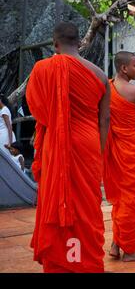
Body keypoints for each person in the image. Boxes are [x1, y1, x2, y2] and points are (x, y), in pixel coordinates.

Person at [26, 22, 110, 273]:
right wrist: (100, 154)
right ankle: (83, 262)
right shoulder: (101, 75)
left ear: (55, 44)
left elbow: (38, 110)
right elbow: (105, 120)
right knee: (86, 207)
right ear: (80, 43)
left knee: (59, 198)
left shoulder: (43, 69)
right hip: (88, 143)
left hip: (57, 142)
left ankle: (62, 261)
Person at [103, 51, 135, 262]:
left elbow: (104, 118)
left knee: (122, 201)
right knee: (134, 202)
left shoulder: (105, 88)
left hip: (114, 152)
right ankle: (131, 250)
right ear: (124, 68)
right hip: (133, 151)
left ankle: (116, 245)